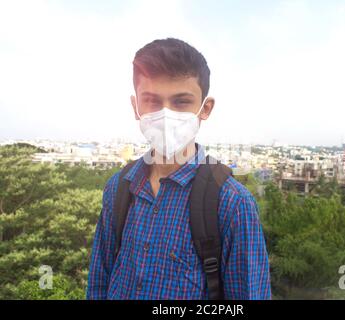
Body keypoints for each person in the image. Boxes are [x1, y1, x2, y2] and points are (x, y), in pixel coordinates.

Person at [86, 38, 271, 300]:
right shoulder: (119, 188)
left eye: (181, 102)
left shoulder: (231, 203)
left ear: (205, 108)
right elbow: (99, 281)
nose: (165, 115)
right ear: (135, 107)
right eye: (151, 100)